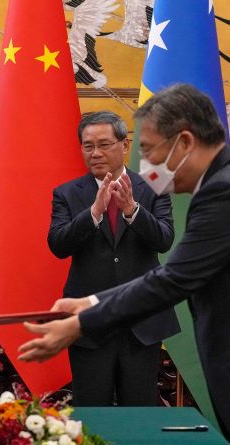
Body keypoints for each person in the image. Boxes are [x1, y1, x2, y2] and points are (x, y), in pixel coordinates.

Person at [19, 84, 230, 445]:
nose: (146, 166)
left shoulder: (229, 191)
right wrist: (90, 302)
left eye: (149, 150)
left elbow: (174, 279)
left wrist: (84, 320)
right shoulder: (229, 179)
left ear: (185, 142)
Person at [48, 111, 179, 406]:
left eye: (104, 144)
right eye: (88, 146)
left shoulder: (153, 188)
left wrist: (133, 210)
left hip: (141, 321)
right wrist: (93, 213)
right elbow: (58, 245)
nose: (95, 153)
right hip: (89, 323)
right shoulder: (67, 193)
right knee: (91, 411)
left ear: (124, 144)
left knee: (139, 410)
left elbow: (164, 239)